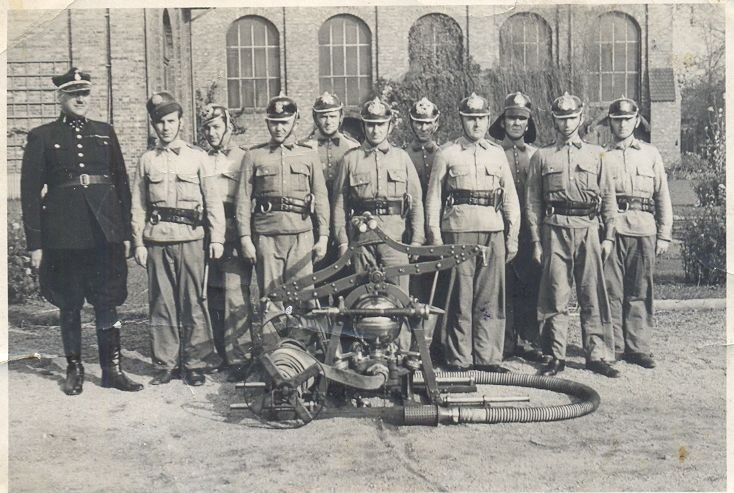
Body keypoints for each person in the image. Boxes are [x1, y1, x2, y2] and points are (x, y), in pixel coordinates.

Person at [20, 67, 142, 395]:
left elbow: (121, 184)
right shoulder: (42, 136)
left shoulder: (105, 132)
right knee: (70, 301)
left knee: (107, 299)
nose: (80, 99)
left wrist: (126, 232)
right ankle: (74, 368)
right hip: (64, 235)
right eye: (73, 93)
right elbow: (30, 193)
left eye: (84, 93)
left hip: (104, 231)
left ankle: (112, 369)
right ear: (60, 97)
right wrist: (36, 243)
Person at [131, 91, 226, 386]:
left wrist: (217, 238)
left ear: (181, 122)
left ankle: (196, 362)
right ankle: (166, 363)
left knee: (193, 301)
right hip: (158, 240)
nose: (165, 127)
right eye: (160, 122)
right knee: (162, 303)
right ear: (153, 124)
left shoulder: (197, 157)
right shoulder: (146, 160)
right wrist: (138, 243)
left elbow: (213, 201)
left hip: (191, 239)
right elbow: (138, 205)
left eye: (171, 121)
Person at [425, 93, 520, 373]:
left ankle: (488, 356)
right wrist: (435, 236)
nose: (476, 124)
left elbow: (510, 198)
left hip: (493, 231)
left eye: (481, 118)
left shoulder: (497, 153)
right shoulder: (447, 153)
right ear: (462, 120)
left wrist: (512, 235)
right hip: (458, 231)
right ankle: (459, 358)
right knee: (460, 296)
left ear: (488, 120)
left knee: (490, 298)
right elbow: (434, 198)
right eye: (470, 118)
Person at [526, 92, 619, 377]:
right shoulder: (542, 156)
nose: (566, 124)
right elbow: (533, 203)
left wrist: (608, 237)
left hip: (588, 228)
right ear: (554, 120)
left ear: (581, 118)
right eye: (561, 118)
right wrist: (536, 241)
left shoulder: (597, 154)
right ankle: (556, 355)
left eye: (571, 118)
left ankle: (596, 354)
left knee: (592, 293)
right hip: (554, 229)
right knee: (555, 294)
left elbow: (608, 198)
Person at [332, 97, 425, 350]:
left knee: (400, 299)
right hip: (362, 241)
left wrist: (417, 240)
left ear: (390, 126)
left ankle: (403, 354)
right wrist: (343, 242)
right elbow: (339, 205)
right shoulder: (350, 159)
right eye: (370, 124)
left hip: (395, 241)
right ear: (364, 126)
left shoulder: (402, 158)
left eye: (380, 124)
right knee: (362, 297)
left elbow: (416, 202)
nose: (375, 130)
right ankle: (361, 354)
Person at [235, 93, 329, 316]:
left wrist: (323, 237)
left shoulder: (308, 155)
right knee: (271, 298)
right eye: (274, 123)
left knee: (303, 297)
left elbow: (321, 197)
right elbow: (243, 200)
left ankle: (301, 338)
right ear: (267, 122)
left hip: (301, 236)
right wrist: (245, 238)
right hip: (267, 236)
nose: (279, 128)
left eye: (284, 122)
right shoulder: (254, 156)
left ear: (295, 121)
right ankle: (273, 339)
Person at [603, 97, 673, 369]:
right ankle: (614, 346)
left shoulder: (650, 154)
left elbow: (662, 196)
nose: (622, 125)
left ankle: (638, 347)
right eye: (617, 120)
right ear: (610, 123)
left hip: (644, 229)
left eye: (627, 119)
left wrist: (664, 234)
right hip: (612, 230)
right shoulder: (602, 156)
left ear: (636, 121)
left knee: (639, 290)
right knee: (611, 290)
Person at [488, 92, 544, 363]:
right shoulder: (492, 153)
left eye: (522, 119)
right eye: (511, 118)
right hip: (501, 228)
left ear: (528, 123)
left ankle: (528, 339)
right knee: (502, 286)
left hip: (529, 232)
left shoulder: (536, 155)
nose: (516, 123)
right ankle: (504, 341)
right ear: (503, 121)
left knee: (530, 284)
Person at [200, 103, 253, 382]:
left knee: (235, 295)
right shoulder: (202, 158)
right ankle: (218, 353)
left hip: (233, 231)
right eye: (207, 128)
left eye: (216, 127)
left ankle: (240, 357)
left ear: (229, 127)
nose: (211, 133)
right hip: (208, 233)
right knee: (212, 295)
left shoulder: (244, 157)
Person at [304, 92, 360, 279]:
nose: (328, 121)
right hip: (314, 221)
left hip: (345, 219)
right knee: (316, 275)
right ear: (315, 118)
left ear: (341, 116)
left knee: (347, 275)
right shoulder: (305, 148)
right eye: (323, 116)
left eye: (333, 116)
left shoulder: (353, 147)